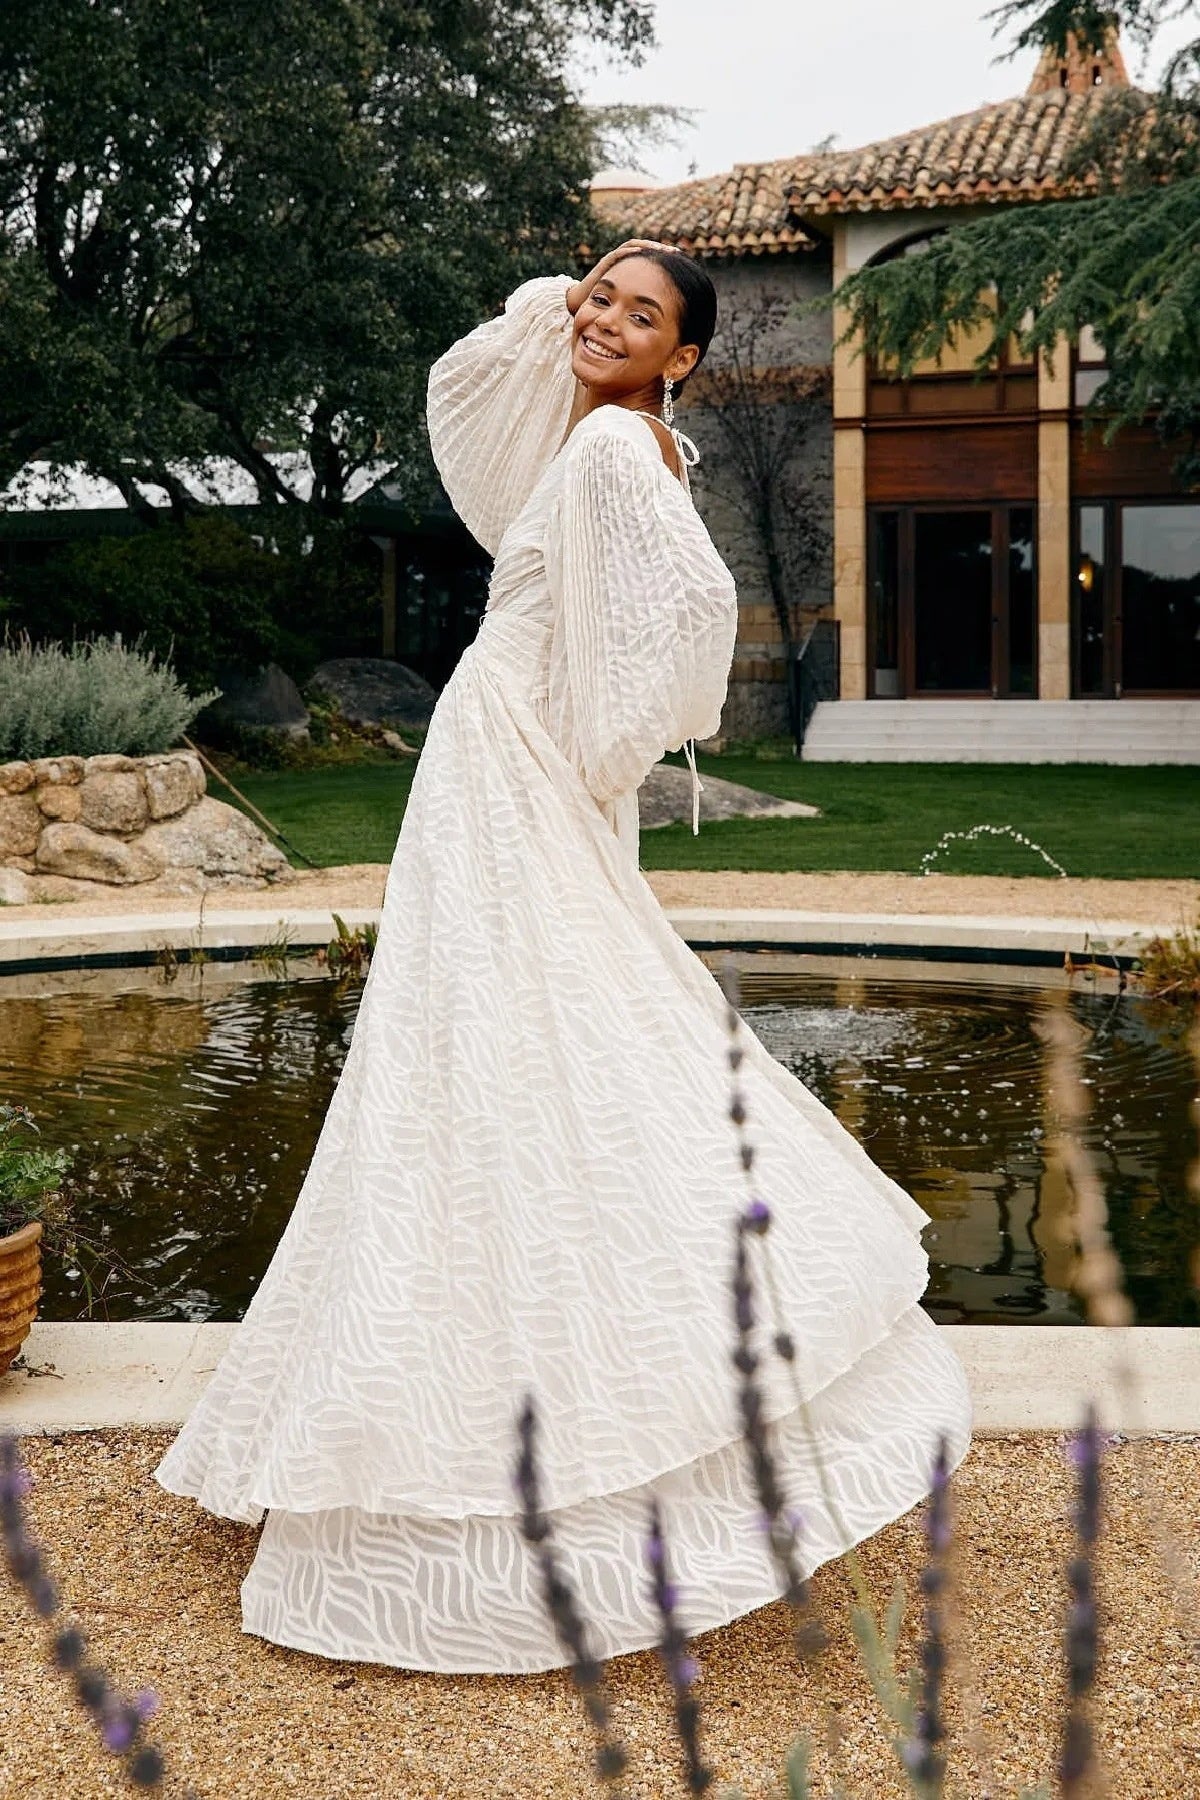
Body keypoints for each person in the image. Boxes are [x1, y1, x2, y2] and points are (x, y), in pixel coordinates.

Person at [153, 242, 972, 1674]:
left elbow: (687, 616)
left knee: (504, 1050)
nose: (599, 319)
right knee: (501, 1047)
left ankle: (537, 1436)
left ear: (683, 358)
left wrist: (597, 751)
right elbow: (481, 381)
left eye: (642, 316)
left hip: (510, 763)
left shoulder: (609, 448)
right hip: (499, 757)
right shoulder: (606, 432)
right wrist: (571, 301)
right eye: (598, 294)